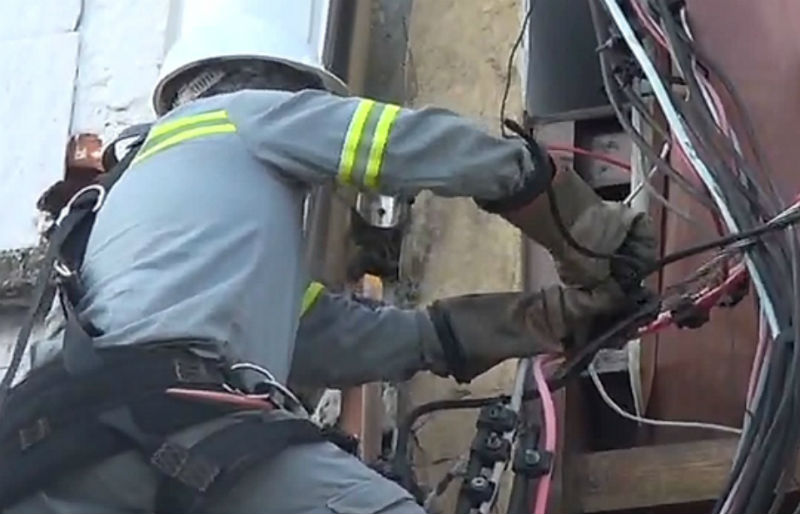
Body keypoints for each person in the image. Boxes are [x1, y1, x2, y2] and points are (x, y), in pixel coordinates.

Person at [2, 6, 655, 514]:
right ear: (282, 82)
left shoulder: (161, 214)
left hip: (58, 459)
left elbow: (364, 341)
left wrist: (553, 318)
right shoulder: (240, 117)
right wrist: (585, 228)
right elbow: (414, 145)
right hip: (162, 423)